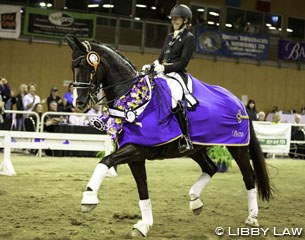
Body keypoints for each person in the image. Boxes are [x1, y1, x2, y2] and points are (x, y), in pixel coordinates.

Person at [142, 4, 197, 153]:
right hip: (163, 72)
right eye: (173, 19)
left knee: (174, 99)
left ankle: (185, 137)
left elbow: (183, 62)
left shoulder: (189, 38)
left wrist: (165, 68)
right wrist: (152, 65)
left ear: (185, 20)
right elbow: (161, 58)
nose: (174, 21)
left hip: (177, 74)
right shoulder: (169, 36)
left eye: (177, 18)